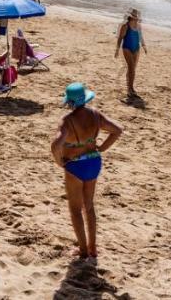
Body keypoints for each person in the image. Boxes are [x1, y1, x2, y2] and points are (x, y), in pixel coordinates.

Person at [50, 83, 123, 261]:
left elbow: (55, 145)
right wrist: (103, 147)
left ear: (69, 102)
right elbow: (117, 130)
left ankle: (83, 251)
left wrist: (60, 162)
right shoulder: (95, 114)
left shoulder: (67, 121)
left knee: (75, 210)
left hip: (75, 166)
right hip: (93, 162)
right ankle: (93, 248)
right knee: (89, 207)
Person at [115, 9, 146, 97]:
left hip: (136, 48)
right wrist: (117, 49)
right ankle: (129, 89)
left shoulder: (138, 26)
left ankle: (131, 88)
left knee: (132, 69)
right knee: (131, 68)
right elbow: (120, 38)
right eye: (135, 17)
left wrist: (144, 46)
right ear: (131, 17)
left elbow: (140, 36)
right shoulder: (125, 26)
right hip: (127, 48)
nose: (136, 18)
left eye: (137, 17)